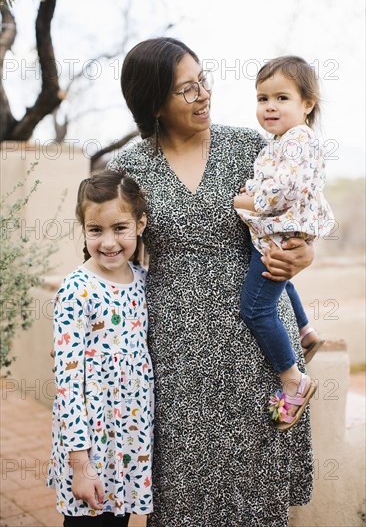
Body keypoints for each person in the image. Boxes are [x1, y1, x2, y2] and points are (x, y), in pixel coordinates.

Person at [108, 37, 315, 527]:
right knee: (182, 481)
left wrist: (305, 252)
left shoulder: (251, 146)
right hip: (177, 348)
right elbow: (115, 257)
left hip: (257, 340)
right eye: (186, 89)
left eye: (204, 80)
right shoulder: (132, 171)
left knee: (256, 477)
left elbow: (293, 211)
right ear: (153, 101)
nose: (203, 95)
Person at [47, 171, 153, 526]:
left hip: (128, 440)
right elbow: (67, 384)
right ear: (84, 230)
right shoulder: (77, 289)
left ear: (140, 224)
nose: (108, 242)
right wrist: (80, 464)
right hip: (90, 445)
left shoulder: (141, 281)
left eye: (119, 228)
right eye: (96, 230)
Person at [234, 56, 333, 431]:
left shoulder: (295, 140)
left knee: (256, 310)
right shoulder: (287, 140)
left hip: (280, 237)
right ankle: (306, 331)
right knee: (283, 281)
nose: (270, 106)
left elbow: (280, 192)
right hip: (282, 234)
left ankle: (294, 379)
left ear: (307, 104)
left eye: (281, 98)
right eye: (262, 98)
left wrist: (240, 200)